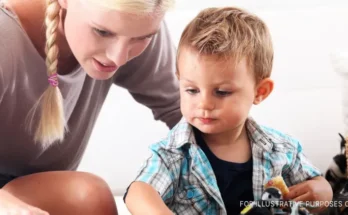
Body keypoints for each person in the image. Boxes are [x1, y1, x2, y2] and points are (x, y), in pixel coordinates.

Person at [124, 6, 333, 215]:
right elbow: (139, 192)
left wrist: (323, 192)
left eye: (222, 92)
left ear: (260, 91)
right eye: (192, 90)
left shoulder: (282, 150)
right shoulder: (172, 156)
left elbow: (316, 185)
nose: (204, 104)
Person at [0, 0, 181, 213]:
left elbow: (188, 115)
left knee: (90, 198)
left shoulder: (136, 21)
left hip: (34, 195)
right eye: (102, 32)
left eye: (142, 38)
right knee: (89, 197)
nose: (118, 57)